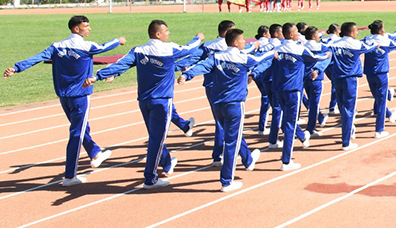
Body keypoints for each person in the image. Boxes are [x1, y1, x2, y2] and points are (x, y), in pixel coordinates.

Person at [4, 15, 125, 186]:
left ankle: (95, 152)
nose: (89, 29)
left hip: (64, 96)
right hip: (80, 96)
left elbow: (37, 58)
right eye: (86, 26)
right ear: (77, 29)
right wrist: (118, 40)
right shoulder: (85, 46)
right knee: (76, 133)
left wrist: (16, 68)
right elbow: (104, 47)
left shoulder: (56, 46)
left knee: (81, 127)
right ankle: (70, 176)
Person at [95, 21, 204, 188]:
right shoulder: (169, 49)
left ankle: (167, 163)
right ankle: (150, 178)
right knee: (156, 139)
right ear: (158, 34)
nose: (168, 34)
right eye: (166, 31)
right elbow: (188, 49)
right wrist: (198, 38)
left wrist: (98, 76)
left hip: (144, 101)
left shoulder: (138, 50)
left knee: (155, 137)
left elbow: (120, 64)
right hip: (162, 101)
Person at [179, 28, 271, 191]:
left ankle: (248, 160)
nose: (245, 42)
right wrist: (274, 53)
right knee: (231, 141)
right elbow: (261, 58)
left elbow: (202, 66)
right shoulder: (243, 58)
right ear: (235, 42)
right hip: (234, 104)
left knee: (232, 135)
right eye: (242, 40)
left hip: (217, 104)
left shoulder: (216, 56)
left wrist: (187, 75)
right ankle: (227, 181)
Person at [269, 24, 328, 170]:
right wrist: (327, 55)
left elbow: (265, 62)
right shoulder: (300, 49)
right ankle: (286, 161)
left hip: (279, 90)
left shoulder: (277, 49)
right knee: (290, 123)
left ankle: (301, 136)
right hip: (293, 91)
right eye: (296, 32)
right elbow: (315, 57)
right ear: (290, 34)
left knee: (287, 120)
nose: (298, 34)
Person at [323, 22, 378, 150]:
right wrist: (376, 43)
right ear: (351, 32)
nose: (357, 33)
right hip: (350, 80)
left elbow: (325, 51)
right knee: (349, 109)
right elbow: (370, 47)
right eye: (356, 31)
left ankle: (348, 130)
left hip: (337, 79)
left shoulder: (334, 44)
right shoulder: (356, 44)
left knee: (343, 108)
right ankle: (346, 141)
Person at [362, 20, 396, 135]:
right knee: (381, 100)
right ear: (381, 30)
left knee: (377, 97)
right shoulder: (385, 40)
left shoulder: (367, 39)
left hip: (369, 73)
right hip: (381, 74)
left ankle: (388, 113)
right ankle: (379, 130)